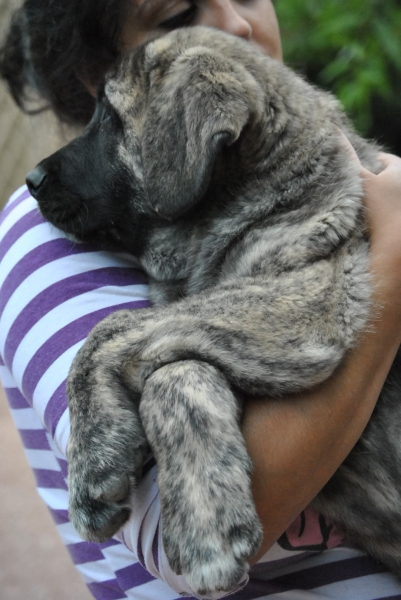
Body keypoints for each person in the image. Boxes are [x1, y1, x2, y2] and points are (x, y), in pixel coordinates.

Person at [1, 1, 401, 598]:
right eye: (178, 14)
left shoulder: (354, 179)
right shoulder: (47, 245)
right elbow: (177, 535)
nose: (237, 25)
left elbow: (312, 320)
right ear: (94, 72)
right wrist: (393, 266)